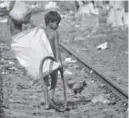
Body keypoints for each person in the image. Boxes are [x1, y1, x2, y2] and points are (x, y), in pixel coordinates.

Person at [43, 11, 62, 109]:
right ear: (50, 21)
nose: (58, 25)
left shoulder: (55, 33)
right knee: (45, 81)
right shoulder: (42, 32)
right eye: (56, 23)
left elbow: (56, 47)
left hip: (52, 60)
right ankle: (47, 101)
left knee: (54, 77)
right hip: (44, 60)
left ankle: (51, 96)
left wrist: (58, 61)